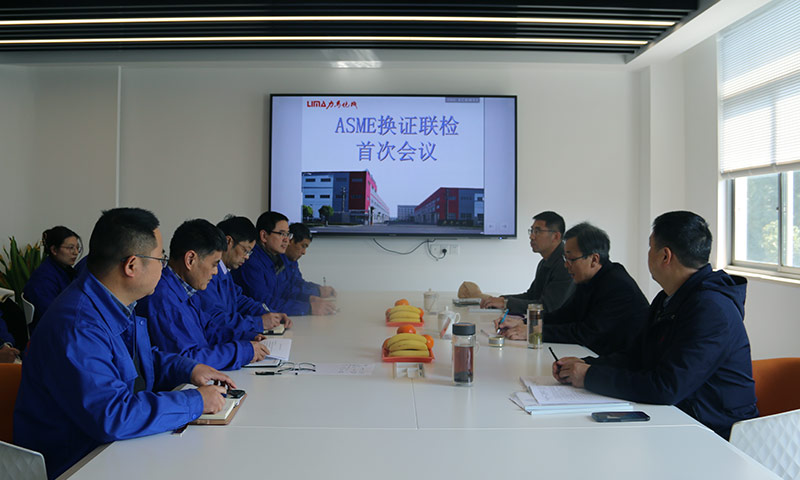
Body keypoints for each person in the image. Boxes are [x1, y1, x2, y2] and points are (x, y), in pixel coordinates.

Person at [14, 208, 235, 479]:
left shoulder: (115, 303)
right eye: (160, 259)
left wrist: (189, 369)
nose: (164, 267)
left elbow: (139, 360)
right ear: (132, 265)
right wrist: (194, 401)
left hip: (111, 450)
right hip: (78, 464)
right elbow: (113, 415)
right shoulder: (78, 324)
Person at [554, 211, 758, 439]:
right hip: (677, 417)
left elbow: (667, 387)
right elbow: (636, 357)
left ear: (665, 256)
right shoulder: (668, 299)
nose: (648, 254)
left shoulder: (711, 309)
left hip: (717, 433)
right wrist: (586, 364)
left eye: (651, 247)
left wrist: (589, 376)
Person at [496, 222, 649, 356]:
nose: (566, 265)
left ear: (594, 259)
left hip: (625, 364)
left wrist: (533, 331)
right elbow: (564, 315)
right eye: (565, 258)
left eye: (571, 259)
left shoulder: (618, 286)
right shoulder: (587, 279)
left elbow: (585, 333)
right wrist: (525, 322)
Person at [137, 219, 270, 371]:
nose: (215, 272)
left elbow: (208, 329)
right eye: (214, 264)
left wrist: (245, 337)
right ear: (190, 260)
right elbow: (187, 360)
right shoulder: (163, 299)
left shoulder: (186, 289)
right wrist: (242, 351)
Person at [195, 215, 292, 338]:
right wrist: (258, 322)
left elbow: (240, 300)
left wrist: (271, 314)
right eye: (245, 250)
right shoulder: (207, 275)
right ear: (228, 242)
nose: (247, 257)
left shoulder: (225, 272)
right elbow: (216, 320)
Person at [233, 211, 336, 316]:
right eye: (282, 234)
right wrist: (308, 308)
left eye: (288, 234)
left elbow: (285, 291)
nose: (287, 240)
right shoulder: (250, 262)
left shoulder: (275, 257)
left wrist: (309, 298)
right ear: (264, 236)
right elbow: (264, 302)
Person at [481, 211, 574, 315]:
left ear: (556, 236)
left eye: (537, 231)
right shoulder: (544, 262)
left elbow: (547, 307)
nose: (532, 237)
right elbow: (531, 296)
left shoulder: (566, 265)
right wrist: (501, 299)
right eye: (532, 231)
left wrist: (506, 303)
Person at [23, 226, 82, 329]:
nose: (75, 252)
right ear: (54, 250)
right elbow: (51, 315)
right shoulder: (43, 279)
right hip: (51, 330)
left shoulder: (66, 270)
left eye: (77, 248)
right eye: (70, 248)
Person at [284, 222, 336, 300]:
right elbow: (287, 292)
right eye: (303, 246)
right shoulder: (277, 263)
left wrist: (319, 288)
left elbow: (298, 283)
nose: (304, 252)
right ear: (290, 241)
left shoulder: (292, 261)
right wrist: (318, 292)